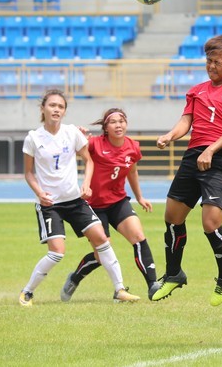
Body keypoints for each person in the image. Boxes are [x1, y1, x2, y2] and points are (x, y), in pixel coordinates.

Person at [151, 35, 222, 307]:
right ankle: (174, 274)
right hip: (194, 154)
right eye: (208, 61)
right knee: (172, 217)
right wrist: (171, 135)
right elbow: (187, 121)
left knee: (210, 224)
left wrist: (211, 150)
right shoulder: (197, 90)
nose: (211, 66)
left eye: (216, 62)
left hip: (221, 156)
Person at [19, 90, 139, 306]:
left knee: (101, 239)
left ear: (64, 111)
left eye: (61, 106)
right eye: (52, 105)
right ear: (43, 108)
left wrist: (85, 183)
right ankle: (27, 292)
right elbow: (28, 172)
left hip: (74, 200)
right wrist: (39, 193)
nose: (56, 109)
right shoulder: (33, 138)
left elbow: (89, 160)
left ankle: (119, 289)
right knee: (57, 253)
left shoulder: (72, 132)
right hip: (50, 205)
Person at [60, 108, 162, 302]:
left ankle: (153, 285)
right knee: (101, 255)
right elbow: (68, 147)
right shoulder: (94, 144)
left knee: (139, 237)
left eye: (122, 121)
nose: (118, 125)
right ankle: (75, 277)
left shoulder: (133, 147)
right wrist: (76, 133)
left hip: (117, 202)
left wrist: (139, 197)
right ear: (105, 127)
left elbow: (132, 172)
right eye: (113, 122)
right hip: (93, 205)